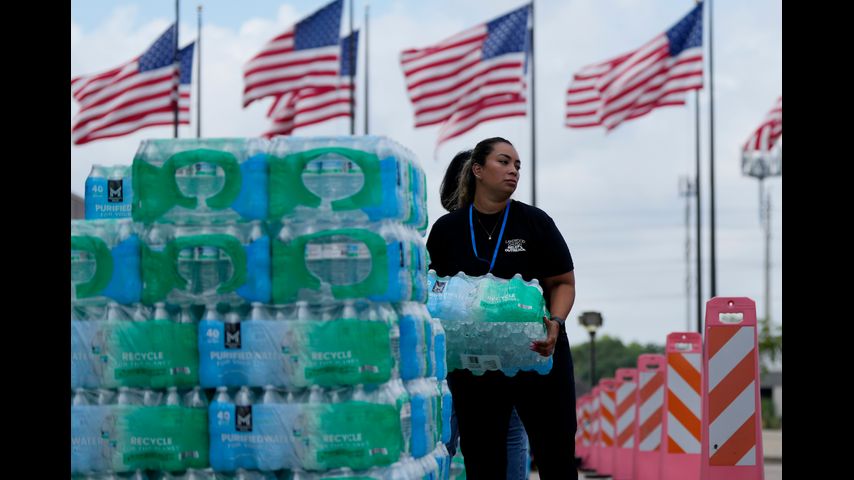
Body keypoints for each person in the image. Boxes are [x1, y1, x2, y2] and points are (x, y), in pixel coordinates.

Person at [427, 137, 578, 479]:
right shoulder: (447, 230)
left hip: (537, 353)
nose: (513, 171)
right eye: (504, 162)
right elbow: (434, 292)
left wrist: (556, 321)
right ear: (478, 170)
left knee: (556, 453)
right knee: (482, 457)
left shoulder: (535, 222)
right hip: (477, 365)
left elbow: (563, 283)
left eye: (517, 165)